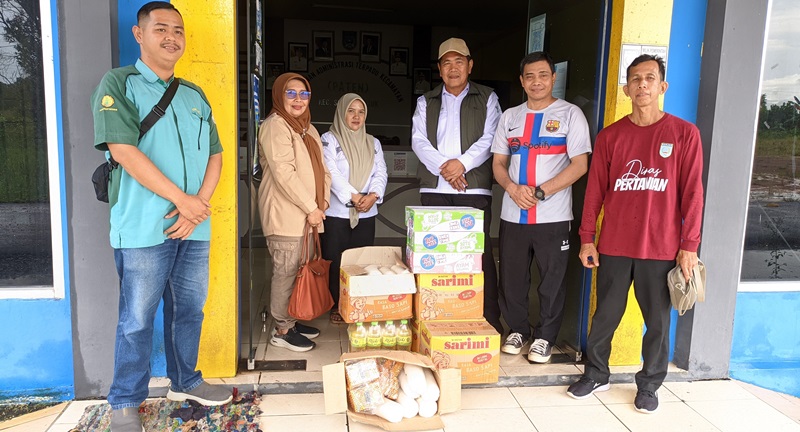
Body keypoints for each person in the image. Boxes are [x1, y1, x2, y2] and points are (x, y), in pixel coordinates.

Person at [91, 2, 229, 431]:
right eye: (161, 29)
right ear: (139, 34)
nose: (172, 37)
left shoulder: (194, 95)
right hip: (143, 227)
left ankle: (186, 380)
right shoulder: (119, 83)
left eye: (178, 30)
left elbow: (216, 154)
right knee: (137, 319)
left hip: (193, 226)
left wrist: (197, 204)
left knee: (189, 310)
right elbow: (122, 150)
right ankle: (124, 401)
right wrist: (182, 200)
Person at [567, 54, 704, 414]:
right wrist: (587, 237)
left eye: (649, 78)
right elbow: (594, 191)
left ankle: (650, 385)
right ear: (626, 89)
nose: (642, 84)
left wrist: (689, 245)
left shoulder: (684, 134)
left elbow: (693, 193)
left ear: (662, 86)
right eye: (635, 79)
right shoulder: (611, 136)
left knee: (657, 323)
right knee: (604, 317)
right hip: (614, 245)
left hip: (662, 248)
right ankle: (596, 374)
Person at [491, 51, 591, 363]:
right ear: (522, 81)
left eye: (543, 75)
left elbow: (580, 165)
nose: (537, 82)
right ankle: (518, 330)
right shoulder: (509, 117)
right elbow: (498, 163)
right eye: (530, 76)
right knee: (512, 278)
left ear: (553, 78)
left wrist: (540, 192)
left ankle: (545, 337)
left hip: (553, 215)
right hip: (513, 214)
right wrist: (511, 188)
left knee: (552, 281)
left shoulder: (571, 114)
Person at [411, 37, 503, 335]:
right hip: (435, 189)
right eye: (447, 63)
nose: (453, 68)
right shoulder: (426, 101)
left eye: (459, 62)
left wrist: (462, 164)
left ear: (470, 65)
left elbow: (491, 137)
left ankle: (489, 318)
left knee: (478, 256)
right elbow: (418, 141)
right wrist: (446, 168)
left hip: (473, 190)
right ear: (439, 69)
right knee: (435, 259)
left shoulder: (488, 97)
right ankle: (435, 320)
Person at [257, 72, 332, 352]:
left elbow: (324, 171)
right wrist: (312, 207)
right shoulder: (276, 125)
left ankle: (292, 319)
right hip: (286, 215)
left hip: (309, 215)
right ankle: (282, 330)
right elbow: (283, 173)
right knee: (286, 272)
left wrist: (322, 203)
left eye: (304, 94)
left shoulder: (308, 129)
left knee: (300, 270)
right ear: (279, 95)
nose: (298, 99)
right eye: (291, 93)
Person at [320, 93, 388, 324]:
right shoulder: (329, 139)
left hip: (367, 211)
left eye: (361, 111)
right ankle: (336, 304)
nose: (356, 116)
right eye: (351, 111)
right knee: (335, 260)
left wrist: (373, 195)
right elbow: (330, 172)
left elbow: (381, 172)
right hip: (337, 213)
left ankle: (357, 302)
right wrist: (354, 196)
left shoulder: (373, 142)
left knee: (361, 261)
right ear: (341, 113)